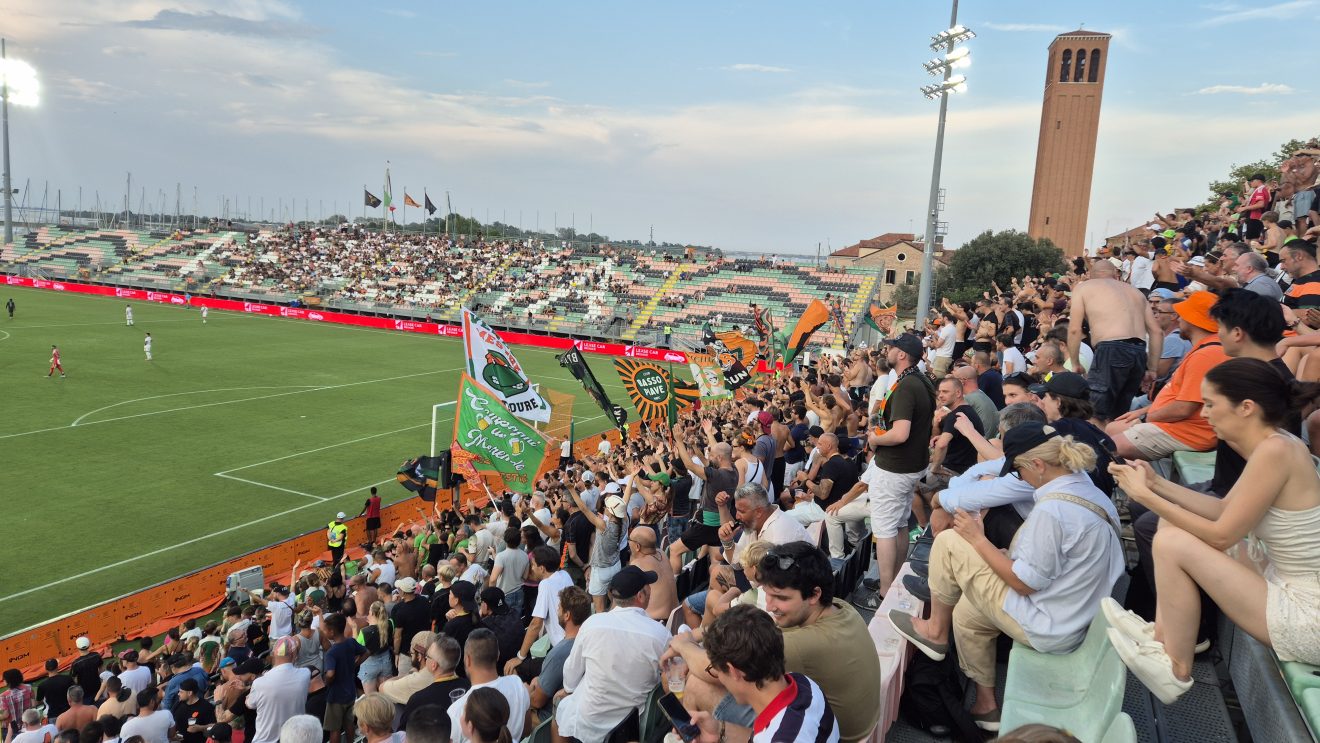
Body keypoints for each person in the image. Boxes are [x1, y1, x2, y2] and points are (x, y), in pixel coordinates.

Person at [1105, 359, 1320, 704]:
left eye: (1210, 404)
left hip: (1309, 616)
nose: (1203, 414)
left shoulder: (1276, 450)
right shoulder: (1278, 444)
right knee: (1173, 522)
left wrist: (1144, 496)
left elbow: (1222, 536)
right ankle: (1163, 637)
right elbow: (1222, 511)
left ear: (1246, 408)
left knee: (1173, 540)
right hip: (1288, 583)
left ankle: (1174, 667)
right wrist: (1157, 484)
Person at [888, 423, 1123, 732]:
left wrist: (978, 540)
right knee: (968, 614)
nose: (1018, 477)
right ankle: (986, 706)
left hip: (1050, 624)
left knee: (948, 543)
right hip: (1073, 613)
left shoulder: (1053, 510)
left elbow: (1024, 584)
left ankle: (934, 631)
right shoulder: (1084, 487)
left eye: (1019, 469)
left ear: (1038, 465)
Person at [668, 542, 881, 743]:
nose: (769, 606)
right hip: (824, 722)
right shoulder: (838, 607)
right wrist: (696, 636)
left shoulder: (799, 645)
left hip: (831, 734)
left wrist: (683, 646)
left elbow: (713, 669)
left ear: (815, 594)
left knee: (697, 684)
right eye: (767, 595)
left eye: (781, 598)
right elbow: (749, 631)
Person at [689, 605, 840, 743]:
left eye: (715, 670)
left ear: (733, 671)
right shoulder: (804, 684)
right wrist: (718, 730)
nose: (720, 678)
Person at [553, 566, 670, 743]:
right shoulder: (660, 635)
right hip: (631, 727)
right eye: (648, 588)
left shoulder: (592, 624)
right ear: (640, 596)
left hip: (588, 725)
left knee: (560, 709)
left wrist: (568, 690)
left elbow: (570, 678)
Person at [1106, 292, 1229, 460]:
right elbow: (1183, 397)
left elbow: (1184, 408)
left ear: (1193, 320)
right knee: (1111, 429)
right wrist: (1143, 411)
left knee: (1108, 446)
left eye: (1182, 315)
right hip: (1179, 424)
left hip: (1190, 431)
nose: (1179, 320)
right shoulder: (1206, 347)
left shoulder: (1206, 355)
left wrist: (1146, 417)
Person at [863, 334, 935, 600]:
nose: (887, 350)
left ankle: (884, 593)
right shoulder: (919, 380)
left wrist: (875, 438)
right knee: (900, 523)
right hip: (909, 466)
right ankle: (892, 582)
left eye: (892, 347)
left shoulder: (906, 386)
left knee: (884, 530)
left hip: (895, 467)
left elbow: (901, 432)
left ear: (902, 354)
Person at [1068, 259, 1163, 421]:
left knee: (1094, 413)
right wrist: (1152, 368)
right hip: (1138, 352)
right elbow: (1157, 332)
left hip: (1111, 349)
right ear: (1115, 275)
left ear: (1091, 275)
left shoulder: (1084, 287)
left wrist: (1075, 362)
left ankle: (1092, 445)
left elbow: (1075, 329)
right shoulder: (1136, 292)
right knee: (1119, 415)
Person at [448, 630, 529, 743]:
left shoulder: (456, 711)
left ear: (467, 660)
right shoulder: (517, 684)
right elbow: (527, 730)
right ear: (498, 655)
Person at [506, 546, 572, 679]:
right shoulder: (565, 574)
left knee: (516, 669)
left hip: (562, 647)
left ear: (542, 568)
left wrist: (520, 656)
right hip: (571, 641)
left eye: (533, 565)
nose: (531, 568)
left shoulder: (545, 584)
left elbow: (536, 623)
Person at [527, 586, 589, 715]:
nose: (557, 610)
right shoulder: (590, 640)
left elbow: (537, 702)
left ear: (567, 615)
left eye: (559, 607)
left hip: (551, 719)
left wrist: (526, 691)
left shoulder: (558, 654)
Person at [246, 636, 309, 743]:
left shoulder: (259, 683)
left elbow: (250, 704)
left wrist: (247, 696)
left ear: (274, 654)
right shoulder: (305, 674)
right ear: (294, 654)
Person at [399, 636, 467, 730]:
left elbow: (403, 733)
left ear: (434, 665)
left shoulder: (418, 699)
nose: (425, 659)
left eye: (427, 657)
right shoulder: (470, 686)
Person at [320, 613, 367, 743]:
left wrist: (326, 682)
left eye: (325, 630)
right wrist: (355, 664)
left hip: (335, 696)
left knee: (334, 729)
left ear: (332, 631)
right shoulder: (351, 642)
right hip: (350, 693)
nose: (323, 632)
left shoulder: (331, 653)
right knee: (349, 724)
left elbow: (330, 674)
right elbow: (366, 652)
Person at [488, 528, 529, 617]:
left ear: (505, 540)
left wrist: (492, 595)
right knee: (515, 621)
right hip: (519, 592)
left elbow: (493, 579)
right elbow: (525, 576)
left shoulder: (501, 556)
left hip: (505, 594)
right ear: (519, 541)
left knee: (503, 620)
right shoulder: (525, 555)